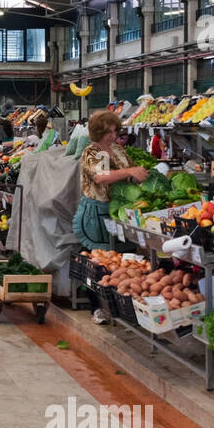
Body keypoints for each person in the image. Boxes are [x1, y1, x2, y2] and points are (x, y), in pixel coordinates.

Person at [75, 110, 148, 324]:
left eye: (115, 131)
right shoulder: (93, 152)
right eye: (109, 131)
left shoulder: (118, 150)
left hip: (121, 212)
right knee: (98, 261)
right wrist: (130, 172)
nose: (113, 135)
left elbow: (131, 173)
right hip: (96, 214)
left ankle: (121, 308)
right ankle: (96, 307)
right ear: (98, 131)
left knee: (124, 261)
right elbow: (101, 177)